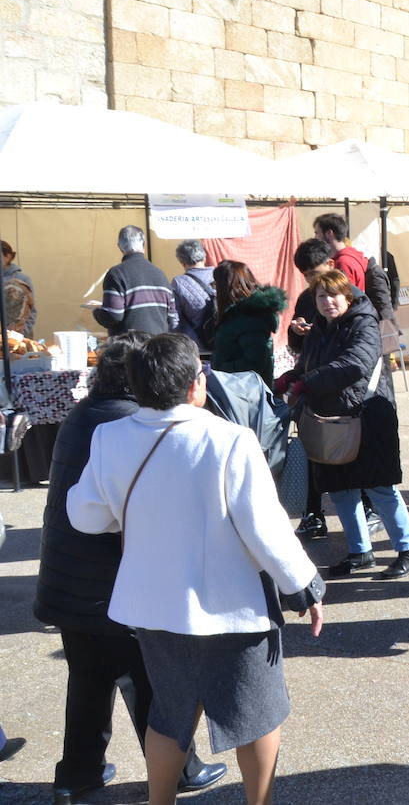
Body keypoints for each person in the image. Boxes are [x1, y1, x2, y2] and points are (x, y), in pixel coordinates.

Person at [66, 333, 324, 805]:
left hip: (155, 608)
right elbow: (265, 529)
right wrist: (303, 584)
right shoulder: (229, 439)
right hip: (234, 607)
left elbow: (85, 515)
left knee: (170, 715)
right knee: (257, 716)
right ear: (194, 385)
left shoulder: (110, 436)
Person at [35, 333, 227, 802]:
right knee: (149, 680)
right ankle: (182, 770)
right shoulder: (129, 426)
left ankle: (77, 773)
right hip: (114, 582)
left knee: (88, 678)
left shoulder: (84, 414)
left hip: (66, 580)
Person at [282, 269, 409, 579]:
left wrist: (309, 382)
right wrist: (291, 378)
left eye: (334, 295)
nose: (328, 301)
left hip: (369, 415)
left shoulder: (364, 323)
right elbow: (307, 364)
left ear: (348, 296)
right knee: (341, 488)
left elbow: (356, 363)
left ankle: (408, 549)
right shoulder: (319, 328)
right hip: (332, 419)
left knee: (380, 486)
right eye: (321, 296)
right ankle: (360, 551)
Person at [209, 261, 286, 386]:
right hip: (242, 388)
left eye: (216, 285)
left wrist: (221, 368)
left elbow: (256, 362)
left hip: (247, 392)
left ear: (225, 287)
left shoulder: (249, 317)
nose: (215, 290)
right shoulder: (242, 313)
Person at [92, 226, 177, 335]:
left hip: (130, 346)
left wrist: (96, 312)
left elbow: (113, 316)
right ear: (144, 244)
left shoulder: (116, 274)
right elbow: (172, 316)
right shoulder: (160, 274)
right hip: (158, 345)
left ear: (119, 247)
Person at [170, 240, 215, 354]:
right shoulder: (219, 274)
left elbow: (175, 320)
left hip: (195, 346)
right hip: (221, 342)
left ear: (182, 262)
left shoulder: (178, 283)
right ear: (204, 258)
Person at [1, 239, 36, 338]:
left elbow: (31, 310)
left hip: (19, 336)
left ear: (7, 257)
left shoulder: (22, 279)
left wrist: (21, 333)